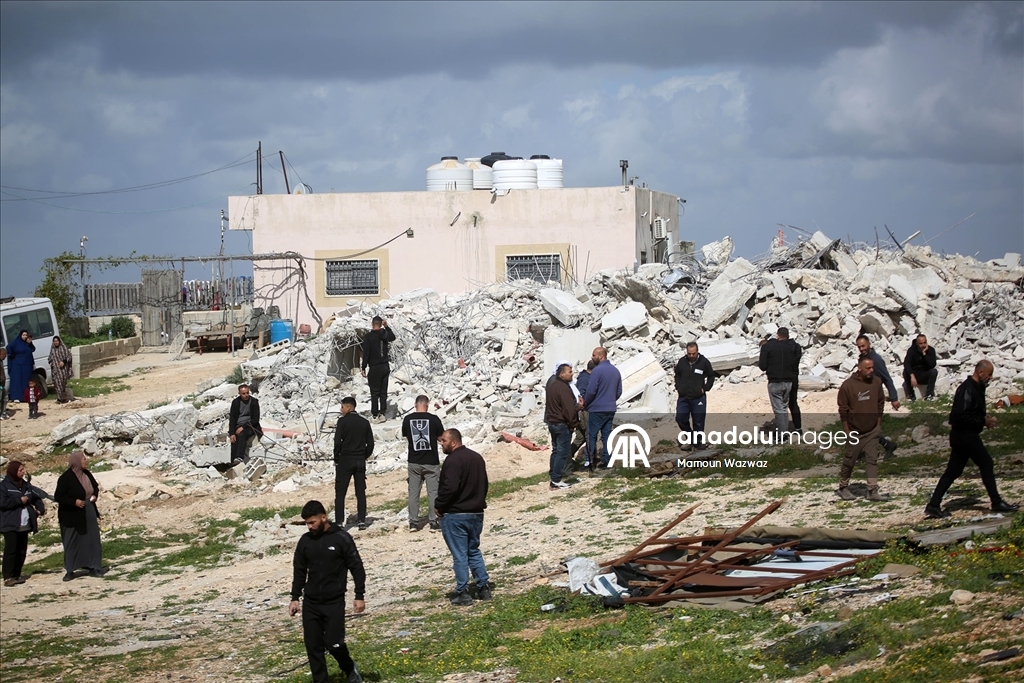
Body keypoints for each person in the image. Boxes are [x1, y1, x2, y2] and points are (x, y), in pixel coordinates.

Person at [924, 361, 1019, 518]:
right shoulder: (967, 389)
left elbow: (972, 411)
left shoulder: (976, 387)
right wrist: (983, 421)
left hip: (963, 435)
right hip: (964, 435)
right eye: (989, 375)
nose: (990, 378)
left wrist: (984, 418)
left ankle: (933, 504)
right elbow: (960, 416)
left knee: (953, 470)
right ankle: (996, 502)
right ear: (980, 373)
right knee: (986, 463)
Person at [289, 500, 366, 683]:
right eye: (307, 523)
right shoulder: (305, 541)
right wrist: (294, 598)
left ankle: (349, 669)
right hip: (311, 603)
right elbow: (299, 570)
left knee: (334, 644)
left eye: (312, 522)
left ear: (323, 517)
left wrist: (359, 595)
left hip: (334, 602)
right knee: (313, 647)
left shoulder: (341, 538)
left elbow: (356, 567)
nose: (309, 527)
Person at [435, 429, 492, 606]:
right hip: (476, 513)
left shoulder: (452, 461)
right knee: (473, 550)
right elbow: (484, 483)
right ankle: (483, 588)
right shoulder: (476, 457)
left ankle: (462, 591)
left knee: (460, 555)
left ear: (453, 442)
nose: (441, 444)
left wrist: (439, 504)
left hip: (456, 514)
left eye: (443, 441)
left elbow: (450, 488)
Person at [836, 357, 887, 501]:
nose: (871, 370)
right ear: (859, 368)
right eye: (868, 368)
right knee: (849, 460)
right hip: (855, 431)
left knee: (872, 459)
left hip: (872, 430)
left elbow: (880, 403)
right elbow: (843, 410)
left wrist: (878, 425)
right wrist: (847, 431)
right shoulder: (848, 386)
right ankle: (843, 487)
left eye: (872, 367)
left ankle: (872, 490)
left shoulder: (876, 382)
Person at [54, 451, 106, 582]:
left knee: (92, 539)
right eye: (83, 459)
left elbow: (95, 487)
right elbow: (58, 496)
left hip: (88, 510)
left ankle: (94, 567)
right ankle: (70, 570)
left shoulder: (87, 474)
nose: (86, 461)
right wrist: (74, 502)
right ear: (76, 462)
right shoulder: (65, 478)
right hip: (72, 515)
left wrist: (94, 495)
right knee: (72, 541)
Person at [401, 394, 444, 532]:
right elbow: (440, 438)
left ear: (415, 404)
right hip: (431, 461)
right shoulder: (434, 419)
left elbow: (408, 437)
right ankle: (434, 521)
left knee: (413, 492)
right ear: (427, 404)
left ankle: (413, 522)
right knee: (433, 492)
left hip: (414, 461)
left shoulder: (407, 419)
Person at [1, 461, 47, 586]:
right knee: (11, 550)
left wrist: (39, 510)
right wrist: (19, 500)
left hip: (24, 524)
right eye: (20, 470)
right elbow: (3, 503)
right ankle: (8, 577)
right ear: (13, 471)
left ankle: (17, 575)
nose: (23, 472)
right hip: (10, 523)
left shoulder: (26, 485)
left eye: (23, 469)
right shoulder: (4, 486)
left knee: (22, 550)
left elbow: (36, 498)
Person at [856, 335, 901, 458]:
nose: (861, 349)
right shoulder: (862, 359)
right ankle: (886, 445)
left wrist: (894, 398)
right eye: (859, 347)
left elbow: (887, 379)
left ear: (869, 344)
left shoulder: (876, 360)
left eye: (863, 346)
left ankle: (864, 453)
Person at [334, 397, 374, 530]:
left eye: (342, 407)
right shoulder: (364, 422)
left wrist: (336, 458)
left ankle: (339, 522)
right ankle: (362, 520)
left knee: (340, 492)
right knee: (360, 491)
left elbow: (337, 442)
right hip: (359, 460)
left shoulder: (342, 422)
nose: (341, 410)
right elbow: (371, 443)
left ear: (349, 407)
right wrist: (364, 455)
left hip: (345, 460)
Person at [584, 347, 623, 469]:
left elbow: (591, 391)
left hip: (596, 408)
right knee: (607, 435)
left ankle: (590, 461)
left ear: (601, 356)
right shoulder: (615, 371)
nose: (592, 357)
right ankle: (607, 460)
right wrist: (610, 400)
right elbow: (619, 391)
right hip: (610, 408)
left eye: (594, 355)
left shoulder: (597, 371)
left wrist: (586, 403)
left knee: (592, 435)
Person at [759, 327, 802, 435]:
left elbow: (763, 366)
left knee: (780, 408)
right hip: (792, 378)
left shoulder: (772, 347)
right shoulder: (795, 346)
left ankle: (782, 433)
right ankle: (797, 428)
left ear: (778, 335)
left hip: (778, 379)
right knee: (791, 404)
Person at [674, 342, 715, 451]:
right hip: (683, 397)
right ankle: (692, 438)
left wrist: (705, 388)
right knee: (680, 418)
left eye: (693, 353)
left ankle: (697, 443)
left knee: (698, 421)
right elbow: (677, 374)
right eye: (689, 354)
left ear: (697, 351)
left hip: (698, 397)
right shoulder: (682, 362)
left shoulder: (704, 362)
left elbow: (711, 376)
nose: (691, 356)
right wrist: (678, 386)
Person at [545, 363, 579, 489]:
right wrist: (573, 423)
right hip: (561, 424)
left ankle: (553, 475)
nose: (572, 374)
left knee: (555, 450)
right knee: (562, 452)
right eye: (570, 372)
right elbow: (568, 409)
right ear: (562, 374)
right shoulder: (562, 387)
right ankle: (556, 480)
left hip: (552, 422)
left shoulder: (553, 384)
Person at [361, 316, 396, 422]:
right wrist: (387, 327)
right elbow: (392, 337)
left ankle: (375, 414)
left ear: (372, 324)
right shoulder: (384, 334)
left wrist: (363, 367)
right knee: (383, 391)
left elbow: (366, 353)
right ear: (381, 324)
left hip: (374, 367)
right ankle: (383, 413)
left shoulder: (368, 337)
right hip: (385, 366)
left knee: (374, 392)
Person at [228, 384, 263, 464]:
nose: (246, 395)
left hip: (251, 426)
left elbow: (255, 419)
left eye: (247, 393)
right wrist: (231, 433)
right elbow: (232, 418)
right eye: (243, 394)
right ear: (239, 393)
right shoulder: (236, 402)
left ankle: (240, 457)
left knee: (242, 434)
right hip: (238, 425)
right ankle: (233, 461)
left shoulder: (254, 402)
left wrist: (243, 427)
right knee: (234, 439)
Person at [571, 360, 595, 467]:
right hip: (584, 411)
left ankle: (567, 456)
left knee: (580, 437)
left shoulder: (585, 377)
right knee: (589, 434)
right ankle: (589, 460)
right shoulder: (585, 379)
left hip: (582, 410)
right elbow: (581, 395)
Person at [903, 334, 938, 401]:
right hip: (915, 374)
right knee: (905, 372)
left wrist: (925, 355)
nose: (923, 345)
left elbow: (932, 365)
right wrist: (912, 375)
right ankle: (911, 396)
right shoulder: (912, 350)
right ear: (917, 343)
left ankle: (929, 395)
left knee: (934, 371)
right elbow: (907, 363)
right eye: (921, 343)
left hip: (924, 374)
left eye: (925, 343)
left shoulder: (930, 350)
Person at [5, 330, 35, 403]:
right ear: (20, 335)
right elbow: (8, 347)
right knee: (17, 381)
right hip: (17, 365)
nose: (25, 336)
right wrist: (12, 355)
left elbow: (33, 349)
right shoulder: (16, 342)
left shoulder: (27, 343)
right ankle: (16, 397)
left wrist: (30, 343)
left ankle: (25, 397)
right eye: (23, 335)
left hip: (27, 365)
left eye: (26, 335)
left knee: (25, 381)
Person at [48, 336, 74, 404]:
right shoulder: (53, 349)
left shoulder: (63, 348)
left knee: (62, 383)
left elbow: (69, 356)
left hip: (62, 370)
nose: (56, 342)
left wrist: (63, 362)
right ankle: (59, 399)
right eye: (54, 341)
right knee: (57, 384)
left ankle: (63, 398)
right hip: (55, 370)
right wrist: (50, 362)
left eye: (57, 341)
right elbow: (50, 357)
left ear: (59, 341)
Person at [0, 347, 9, 419]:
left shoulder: (1, 361)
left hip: (2, 384)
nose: (6, 357)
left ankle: (3, 413)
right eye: (5, 355)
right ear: (1, 354)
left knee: (5, 398)